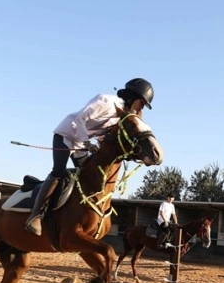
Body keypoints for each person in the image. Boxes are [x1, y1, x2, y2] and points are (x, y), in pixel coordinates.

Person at [25, 78, 155, 236]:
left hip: (80, 143)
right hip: (66, 135)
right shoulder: (106, 101)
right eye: (142, 103)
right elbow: (80, 119)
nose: (141, 107)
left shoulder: (122, 117)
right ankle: (35, 216)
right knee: (58, 171)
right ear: (133, 97)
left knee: (89, 174)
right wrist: (87, 143)